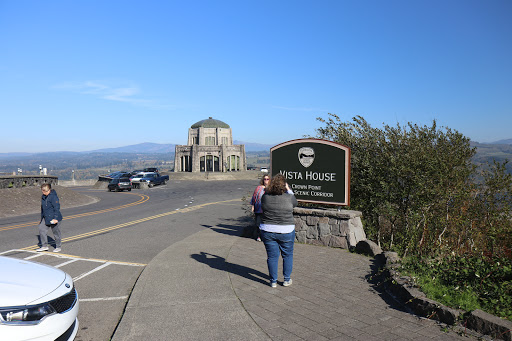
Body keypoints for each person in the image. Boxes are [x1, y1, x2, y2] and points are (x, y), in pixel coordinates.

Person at [260, 173, 298, 287]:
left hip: (267, 230)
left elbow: (263, 199)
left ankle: (273, 281)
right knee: (287, 255)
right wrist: (289, 189)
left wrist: (268, 189)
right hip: (286, 230)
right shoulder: (289, 197)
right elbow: (295, 203)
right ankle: (286, 279)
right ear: (284, 185)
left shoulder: (265, 197)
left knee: (272, 256)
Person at [37, 183, 63, 252]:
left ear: (48, 190)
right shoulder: (43, 197)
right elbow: (43, 209)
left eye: (43, 191)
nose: (42, 192)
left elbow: (57, 208)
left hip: (54, 218)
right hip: (46, 217)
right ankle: (44, 246)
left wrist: (55, 218)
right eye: (42, 191)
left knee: (56, 233)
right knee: (41, 229)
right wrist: (41, 219)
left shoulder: (53, 197)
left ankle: (58, 246)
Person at [250, 174, 270, 241]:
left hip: (267, 210)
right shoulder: (259, 188)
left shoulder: (270, 188)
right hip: (258, 208)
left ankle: (265, 237)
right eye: (265, 179)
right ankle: (259, 236)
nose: (266, 180)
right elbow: (254, 197)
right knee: (258, 224)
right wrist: (253, 206)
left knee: (266, 224)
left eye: (267, 179)